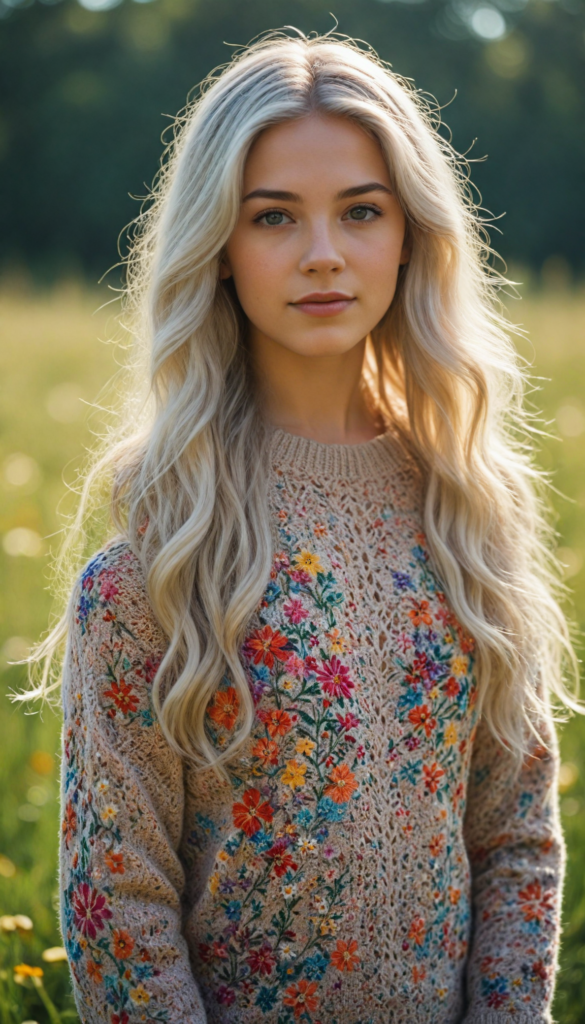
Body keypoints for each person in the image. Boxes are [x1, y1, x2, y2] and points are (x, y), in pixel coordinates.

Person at [19, 28, 579, 1024]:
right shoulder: (160, 548)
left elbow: (518, 838)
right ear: (219, 248)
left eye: (361, 211)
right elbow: (119, 904)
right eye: (273, 216)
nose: (323, 254)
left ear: (410, 232)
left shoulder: (471, 509)